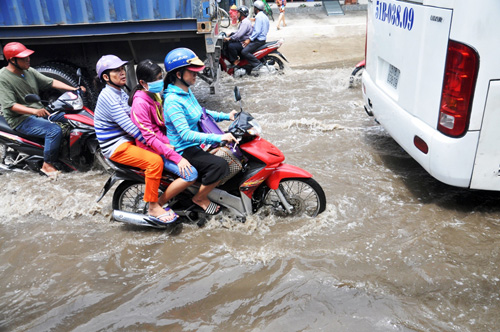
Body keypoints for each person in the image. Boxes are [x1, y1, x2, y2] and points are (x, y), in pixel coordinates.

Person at [93, 54, 176, 223]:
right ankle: (153, 207)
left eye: (122, 69)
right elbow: (132, 128)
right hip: (117, 146)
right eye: (116, 71)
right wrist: (159, 144)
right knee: (155, 162)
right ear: (106, 77)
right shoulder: (107, 96)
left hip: (128, 141)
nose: (122, 73)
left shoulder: (121, 92)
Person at [163, 48, 238, 215]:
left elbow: (201, 113)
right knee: (220, 165)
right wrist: (217, 137)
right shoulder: (173, 101)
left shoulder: (186, 92)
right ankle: (200, 197)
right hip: (183, 149)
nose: (196, 75)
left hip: (195, 145)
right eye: (192, 72)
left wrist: (227, 116)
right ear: (178, 74)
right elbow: (185, 134)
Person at [0, 42, 85, 179]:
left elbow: (50, 81)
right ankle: (47, 164)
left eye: (28, 56)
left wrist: (73, 89)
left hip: (41, 112)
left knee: (72, 118)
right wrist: (33, 111)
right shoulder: (3, 78)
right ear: (12, 60)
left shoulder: (28, 71)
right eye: (23, 58)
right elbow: (10, 105)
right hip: (20, 119)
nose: (28, 59)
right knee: (53, 130)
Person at [129, 59, 198, 216]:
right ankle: (157, 205)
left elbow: (157, 128)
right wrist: (175, 156)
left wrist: (169, 142)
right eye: (156, 79)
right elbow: (149, 137)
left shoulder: (154, 96)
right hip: (152, 148)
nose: (160, 82)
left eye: (161, 77)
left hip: (162, 143)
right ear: (143, 82)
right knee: (191, 174)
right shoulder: (140, 103)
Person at [241, 0, 270, 73]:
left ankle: (257, 64)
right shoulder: (264, 16)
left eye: (254, 8)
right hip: (263, 39)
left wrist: (249, 39)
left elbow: (257, 31)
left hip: (258, 41)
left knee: (244, 52)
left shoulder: (259, 16)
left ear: (256, 8)